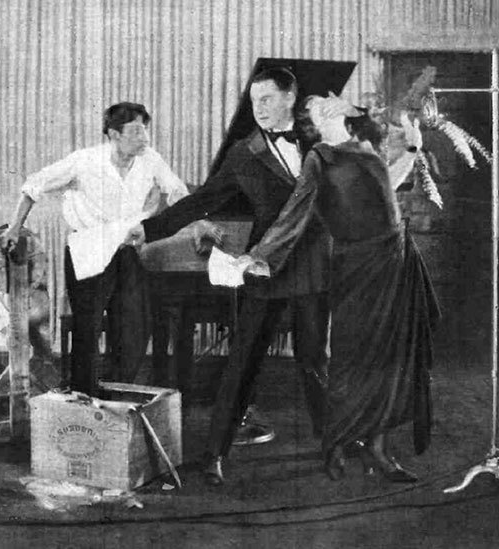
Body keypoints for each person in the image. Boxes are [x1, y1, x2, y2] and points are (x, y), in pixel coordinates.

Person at [127, 67, 331, 484]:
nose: (258, 109)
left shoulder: (321, 139)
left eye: (268, 99)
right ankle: (214, 455)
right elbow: (202, 200)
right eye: (254, 101)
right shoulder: (244, 153)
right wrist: (149, 229)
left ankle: (333, 445)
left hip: (313, 266)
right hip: (264, 267)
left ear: (291, 96)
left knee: (314, 360)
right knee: (244, 361)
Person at [247, 95, 440, 482]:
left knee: (389, 357)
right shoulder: (319, 157)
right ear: (312, 123)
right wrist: (261, 256)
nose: (328, 106)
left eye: (332, 101)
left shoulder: (367, 149)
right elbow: (295, 212)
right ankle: (335, 442)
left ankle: (379, 452)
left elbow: (390, 188)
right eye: (318, 107)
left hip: (394, 260)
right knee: (350, 358)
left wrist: (415, 147)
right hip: (355, 266)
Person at [2, 102, 188, 396]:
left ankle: (116, 394)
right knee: (87, 331)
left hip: (127, 250)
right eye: (137, 131)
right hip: (87, 251)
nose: (145, 138)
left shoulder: (150, 160)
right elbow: (33, 185)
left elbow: (177, 190)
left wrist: (192, 219)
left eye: (145, 130)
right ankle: (84, 399)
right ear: (114, 134)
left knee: (133, 328)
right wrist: (14, 227)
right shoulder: (84, 160)